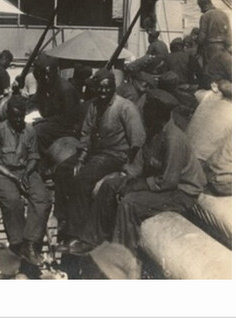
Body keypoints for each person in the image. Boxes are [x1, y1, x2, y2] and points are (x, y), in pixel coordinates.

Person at [72, 89, 205, 254]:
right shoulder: (154, 131)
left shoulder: (174, 139)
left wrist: (137, 186)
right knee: (109, 186)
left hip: (181, 192)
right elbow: (139, 163)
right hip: (160, 182)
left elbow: (168, 181)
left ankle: (122, 255)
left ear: (158, 115)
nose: (144, 115)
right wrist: (126, 178)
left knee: (130, 202)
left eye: (148, 112)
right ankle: (91, 240)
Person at [55, 69, 145, 246]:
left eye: (107, 88)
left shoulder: (126, 108)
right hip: (96, 153)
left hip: (115, 155)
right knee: (62, 170)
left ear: (113, 87)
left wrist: (127, 169)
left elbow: (138, 141)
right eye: (100, 88)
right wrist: (80, 159)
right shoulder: (94, 106)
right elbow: (86, 134)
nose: (103, 92)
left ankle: (78, 234)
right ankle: (62, 219)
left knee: (82, 180)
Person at [0, 96, 51, 265]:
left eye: (21, 116)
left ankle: (30, 243)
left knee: (43, 199)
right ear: (8, 114)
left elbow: (33, 156)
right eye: (14, 116)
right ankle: (17, 244)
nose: (18, 120)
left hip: (26, 171)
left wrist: (26, 174)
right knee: (12, 200)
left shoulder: (30, 130)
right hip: (3, 173)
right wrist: (14, 178)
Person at [31, 54, 84, 151]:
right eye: (43, 74)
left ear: (55, 72)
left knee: (38, 130)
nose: (46, 77)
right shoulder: (43, 85)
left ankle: (44, 158)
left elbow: (68, 118)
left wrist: (44, 120)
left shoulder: (66, 89)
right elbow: (34, 102)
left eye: (48, 74)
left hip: (67, 127)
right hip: (50, 122)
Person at [196, 0, 232, 66]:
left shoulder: (205, 16)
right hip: (224, 49)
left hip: (211, 49)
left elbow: (202, 37)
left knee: (211, 71)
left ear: (204, 5)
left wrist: (198, 51)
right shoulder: (223, 14)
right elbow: (229, 34)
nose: (201, 10)